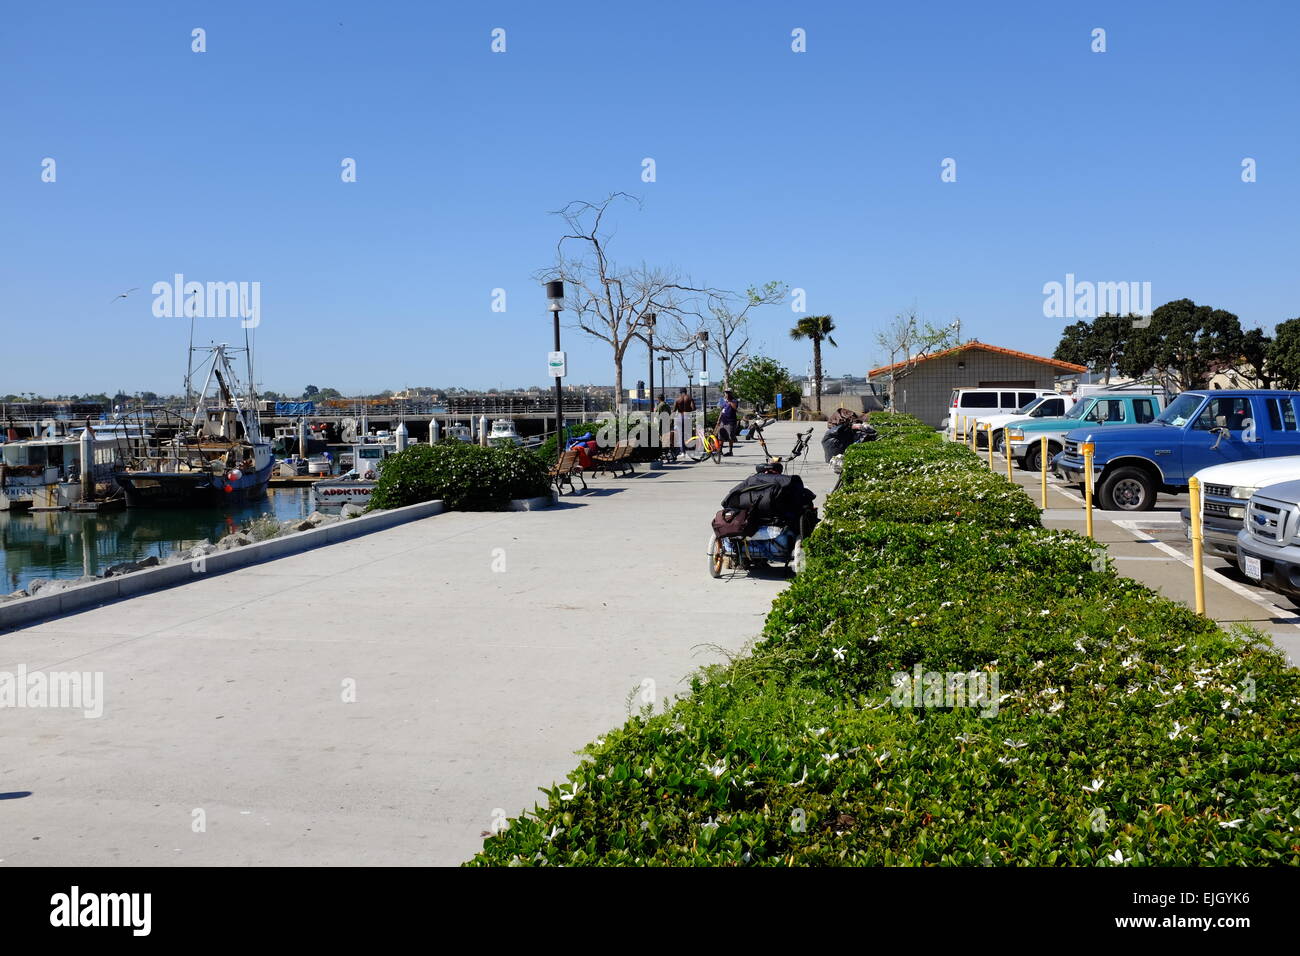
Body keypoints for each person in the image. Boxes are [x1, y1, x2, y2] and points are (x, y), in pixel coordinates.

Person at [672, 389, 695, 460]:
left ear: (680, 392)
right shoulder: (689, 398)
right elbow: (693, 408)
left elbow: (674, 410)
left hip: (679, 418)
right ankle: (690, 448)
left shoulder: (678, 400)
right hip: (687, 417)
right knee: (688, 434)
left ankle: (683, 452)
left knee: (680, 435)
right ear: (686, 392)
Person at [717, 389, 739, 456]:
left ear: (730, 394)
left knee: (730, 437)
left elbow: (735, 408)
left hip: (731, 422)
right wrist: (719, 420)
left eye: (727, 393)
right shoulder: (724, 402)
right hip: (723, 421)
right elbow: (722, 411)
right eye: (725, 393)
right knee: (720, 436)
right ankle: (720, 451)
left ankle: (730, 451)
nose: (726, 394)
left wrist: (729, 401)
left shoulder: (734, 401)